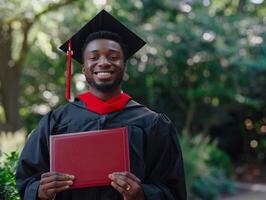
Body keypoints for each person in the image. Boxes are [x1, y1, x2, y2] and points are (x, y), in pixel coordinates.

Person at [16, 9, 187, 200]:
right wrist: (39, 191)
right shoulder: (55, 122)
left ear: (124, 65)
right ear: (84, 68)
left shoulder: (153, 124)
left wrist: (143, 195)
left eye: (113, 57)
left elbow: (173, 189)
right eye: (94, 57)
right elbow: (26, 180)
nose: (104, 63)